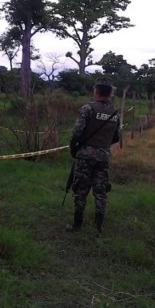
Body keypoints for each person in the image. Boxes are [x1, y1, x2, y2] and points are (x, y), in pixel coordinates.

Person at [67, 77, 120, 234]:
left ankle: (77, 224)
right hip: (103, 155)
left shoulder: (88, 108)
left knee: (81, 188)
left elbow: (76, 132)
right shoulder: (115, 113)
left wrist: (73, 148)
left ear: (96, 92)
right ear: (110, 94)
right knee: (101, 190)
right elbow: (117, 137)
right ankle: (98, 226)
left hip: (85, 155)